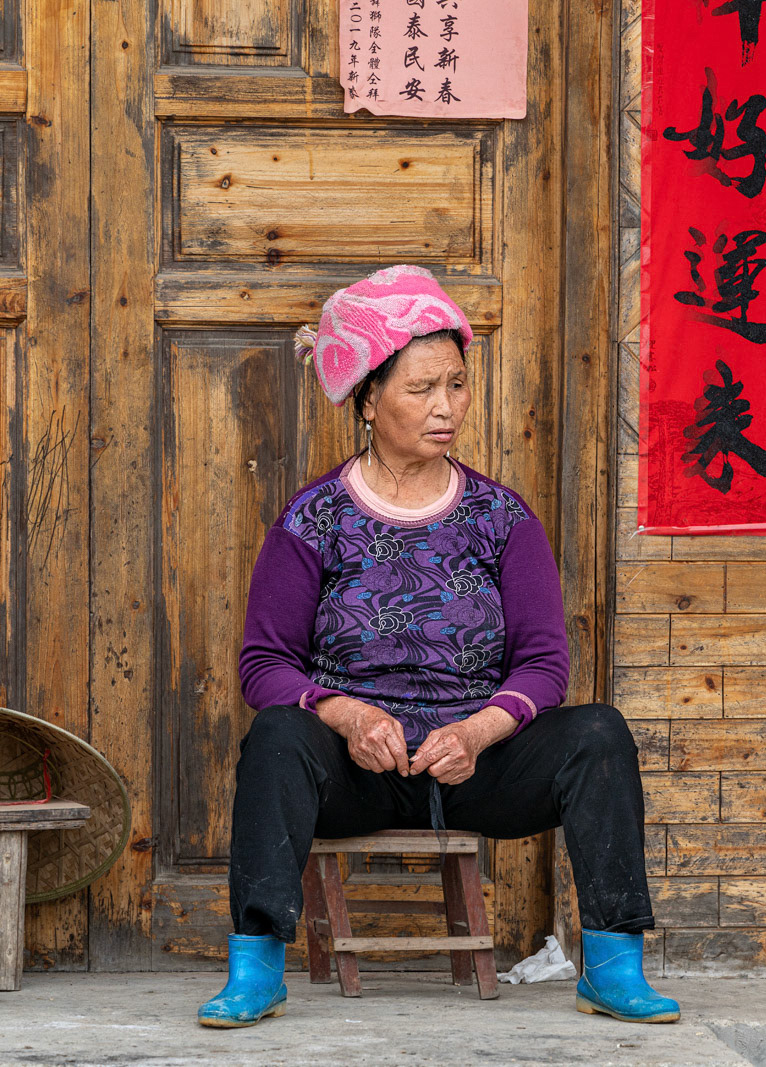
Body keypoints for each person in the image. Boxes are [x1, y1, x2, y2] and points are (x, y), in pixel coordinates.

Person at [198, 265, 678, 1028]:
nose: (445, 406)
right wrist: (349, 716)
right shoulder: (313, 520)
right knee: (277, 734)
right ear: (368, 396)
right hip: (361, 770)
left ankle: (614, 962)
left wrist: (479, 729)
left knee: (599, 731)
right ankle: (256, 962)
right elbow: (265, 665)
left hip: (477, 762)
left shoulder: (500, 517)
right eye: (422, 388)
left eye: (456, 384)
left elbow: (545, 664)